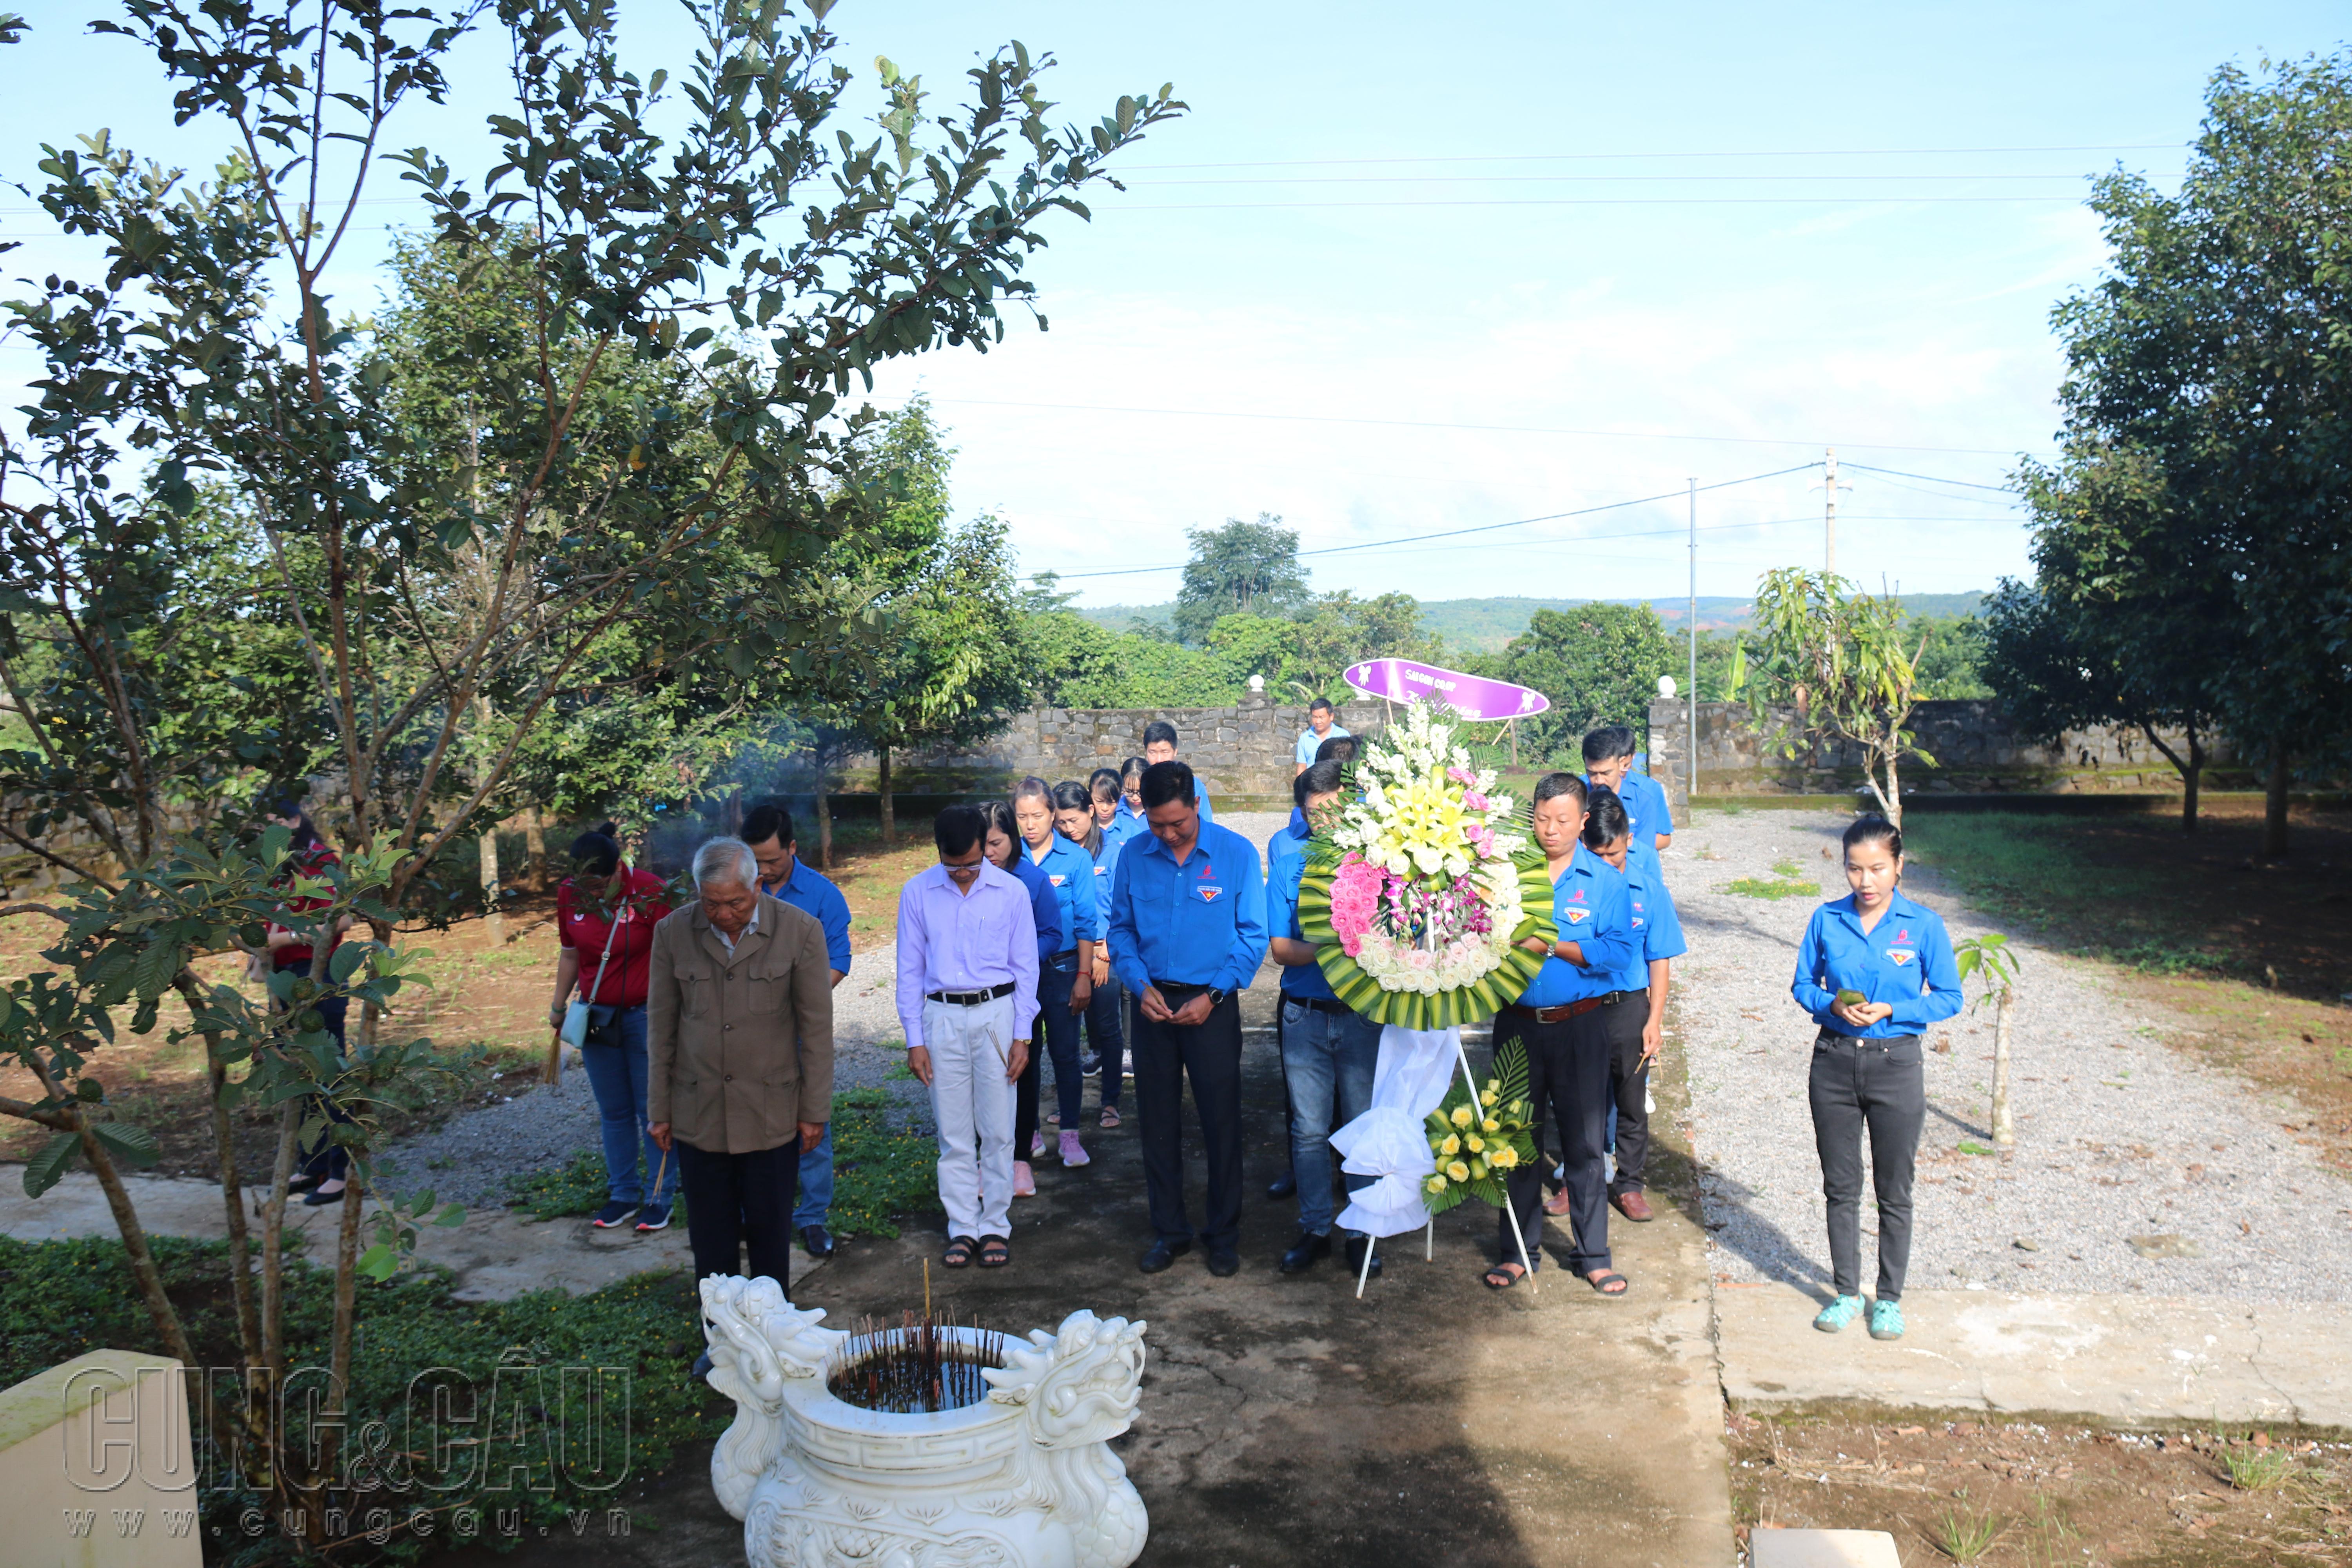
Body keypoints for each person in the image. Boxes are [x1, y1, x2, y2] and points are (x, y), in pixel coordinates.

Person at [647, 838, 834, 1343]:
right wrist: (659, 1109)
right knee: (711, 1242)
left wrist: (814, 1110)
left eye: (736, 902)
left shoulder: (800, 932)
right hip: (698, 1112)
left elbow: (816, 1031)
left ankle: (776, 1342)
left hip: (771, 1112)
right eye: (712, 904)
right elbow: (661, 1026)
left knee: (772, 1237)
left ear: (758, 885)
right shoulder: (672, 933)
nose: (724, 915)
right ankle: (722, 1346)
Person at [1791, 815, 1962, 1343]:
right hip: (1835, 1062)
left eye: (1877, 869)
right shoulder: (1826, 919)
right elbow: (1803, 984)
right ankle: (1846, 1291)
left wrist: (1894, 1008)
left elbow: (1949, 996)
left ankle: (1888, 1299)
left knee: (1895, 1190)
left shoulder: (1923, 926)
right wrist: (1831, 1005)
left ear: (1899, 867)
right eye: (1855, 869)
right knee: (1841, 1186)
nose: (1865, 881)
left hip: (1897, 1065)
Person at [1105, 759, 1267, 1277]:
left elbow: (1251, 936)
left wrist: (1215, 997)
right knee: (1157, 1122)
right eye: (1158, 825)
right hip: (1152, 1003)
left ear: (1198, 804)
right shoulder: (1133, 853)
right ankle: (1169, 1231)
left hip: (1211, 1006)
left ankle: (1222, 1235)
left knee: (1221, 1120)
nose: (1170, 834)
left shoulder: (1236, 854)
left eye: (1179, 823)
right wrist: (1136, 983)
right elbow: (1122, 930)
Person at [1486, 773, 1633, 1295]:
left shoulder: (1606, 882)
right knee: (1518, 1142)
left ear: (1584, 821)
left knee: (1585, 1145)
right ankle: (1518, 1252)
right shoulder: (1506, 874)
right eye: (1542, 818)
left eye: (1563, 820)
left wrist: (1553, 945)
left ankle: (1593, 1254)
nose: (1551, 829)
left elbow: (1619, 954)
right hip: (1517, 1029)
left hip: (1580, 1027)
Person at [895, 804, 1038, 1271]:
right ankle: (962, 1226)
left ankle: (995, 1223)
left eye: (972, 864)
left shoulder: (1012, 891)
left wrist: (1022, 1036)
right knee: (953, 1133)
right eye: (952, 865)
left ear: (987, 847)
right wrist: (915, 1038)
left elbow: (1025, 968)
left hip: (998, 1015)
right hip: (943, 1018)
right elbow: (909, 971)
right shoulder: (917, 892)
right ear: (938, 852)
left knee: (998, 1128)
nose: (962, 875)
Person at [1264, 759, 1382, 1278]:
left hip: (1360, 1014)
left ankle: (1361, 1232)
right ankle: (1315, 1229)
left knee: (1362, 1127)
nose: (1325, 822)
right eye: (1314, 813)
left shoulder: (1377, 858)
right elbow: (1281, 949)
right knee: (1309, 1131)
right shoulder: (1287, 856)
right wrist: (1338, 946)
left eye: (1335, 810)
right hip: (1305, 1017)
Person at [550, 822, 679, 1230]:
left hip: (646, 1016)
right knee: (614, 1111)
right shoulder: (569, 894)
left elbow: (678, 956)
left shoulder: (650, 891)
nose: (588, 892)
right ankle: (622, 1193)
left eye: (597, 883)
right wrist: (558, 1007)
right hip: (596, 1016)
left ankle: (660, 1196)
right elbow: (570, 954)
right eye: (581, 883)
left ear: (616, 870)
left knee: (653, 1109)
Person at [742, 802, 851, 1259]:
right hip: (747, 1033)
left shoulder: (823, 895)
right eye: (755, 862)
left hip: (801, 1030)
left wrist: (795, 1001)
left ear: (792, 847)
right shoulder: (738, 893)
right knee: (749, 1122)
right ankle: (755, 1214)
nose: (763, 871)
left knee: (811, 1125)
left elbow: (838, 961)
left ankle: (812, 1217)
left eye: (772, 860)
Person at [1577, 788, 1686, 1225]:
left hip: (1629, 1008)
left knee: (1631, 1099)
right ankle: (1579, 1180)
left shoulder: (1648, 888)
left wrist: (1655, 1020)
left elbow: (1659, 959)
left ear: (1628, 840)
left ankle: (1630, 1183)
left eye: (1617, 855)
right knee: (1581, 1100)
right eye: (1599, 856)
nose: (1609, 865)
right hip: (1581, 1007)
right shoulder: (1570, 887)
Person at [261, 799, 353, 1207]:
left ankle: (340, 1170)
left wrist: (284, 939)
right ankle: (311, 1162)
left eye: (275, 824)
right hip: (285, 980)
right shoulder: (278, 865)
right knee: (297, 1072)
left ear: (295, 820)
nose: (267, 835)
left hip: (318, 976)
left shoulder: (320, 861)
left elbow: (341, 920)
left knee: (328, 1070)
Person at [1013, 777, 1101, 1169]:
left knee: (1065, 1054)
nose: (1030, 824)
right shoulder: (1007, 859)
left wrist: (1084, 973)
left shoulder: (1076, 859)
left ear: (1053, 814)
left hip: (1063, 968)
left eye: (1037, 815)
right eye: (1022, 816)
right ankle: (1027, 1131)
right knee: (1023, 1055)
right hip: (1017, 976)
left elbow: (1086, 921)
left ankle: (1069, 1135)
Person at [980, 799, 1063, 1198]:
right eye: (981, 845)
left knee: (1023, 1073)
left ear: (1012, 839)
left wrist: (1023, 953)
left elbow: (1053, 932)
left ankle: (1020, 1159)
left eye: (995, 843)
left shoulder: (1032, 880)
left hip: (1022, 995)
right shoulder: (968, 881)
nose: (988, 853)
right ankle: (984, 1159)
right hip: (980, 999)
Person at [1051, 780, 1124, 1130]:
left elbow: (1123, 905)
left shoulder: (1113, 851)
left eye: (1074, 821)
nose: (1068, 829)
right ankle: (1069, 1108)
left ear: (1091, 812)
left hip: (1106, 953)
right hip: (1065, 958)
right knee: (1066, 1032)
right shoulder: (1052, 853)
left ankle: (1110, 1101)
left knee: (1107, 1027)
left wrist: (1103, 949)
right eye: (1061, 822)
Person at [1584, 725, 1673, 853]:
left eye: (1606, 773)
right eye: (1592, 773)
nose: (1598, 781)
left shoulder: (1643, 801)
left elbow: (1643, 853)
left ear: (1622, 764)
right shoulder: (1577, 799)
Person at [1140, 721, 1215, 825]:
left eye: (1165, 752)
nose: (1159, 759)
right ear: (1146, 752)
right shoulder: (1136, 785)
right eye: (1153, 752)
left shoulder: (1194, 786)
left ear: (1175, 752)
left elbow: (1207, 824)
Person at [1294, 697, 1349, 777]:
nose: (1318, 721)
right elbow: (1302, 766)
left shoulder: (1343, 736)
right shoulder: (1305, 738)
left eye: (1322, 717)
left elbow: (1350, 764)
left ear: (1331, 717)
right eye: (1315, 717)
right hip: (1313, 784)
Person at [1110, 755, 1150, 845]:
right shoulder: (1113, 810)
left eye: (1140, 792)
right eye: (1129, 791)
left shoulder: (1157, 810)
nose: (1135, 798)